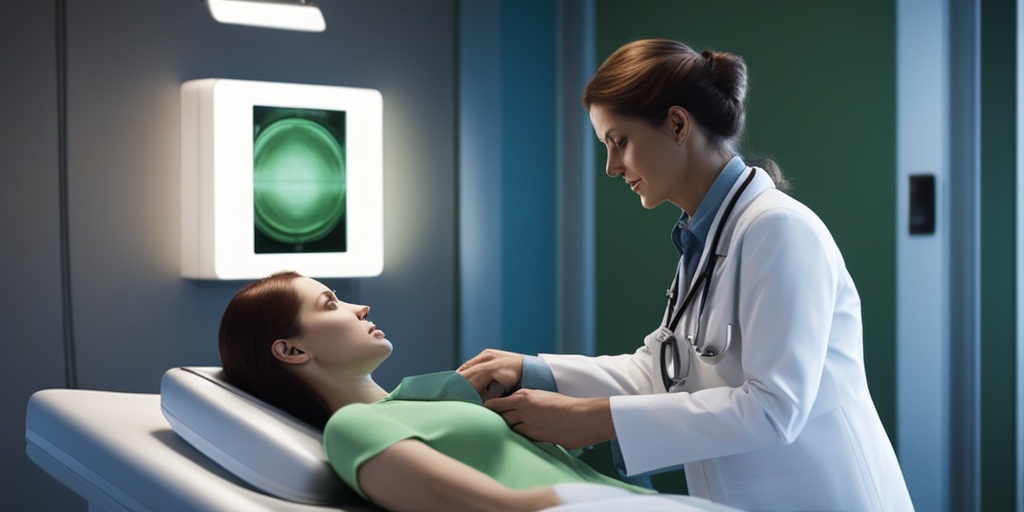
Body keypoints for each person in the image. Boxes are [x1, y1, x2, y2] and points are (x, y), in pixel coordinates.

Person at [458, 39, 915, 511]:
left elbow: (774, 409)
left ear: (677, 124)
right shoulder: (707, 238)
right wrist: (532, 370)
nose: (612, 167)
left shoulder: (778, 229)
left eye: (619, 142)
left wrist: (595, 419)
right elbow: (661, 372)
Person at [218, 271, 741, 512]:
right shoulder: (351, 428)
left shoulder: (422, 400)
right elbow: (482, 505)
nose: (360, 308)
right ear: (291, 351)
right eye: (330, 303)